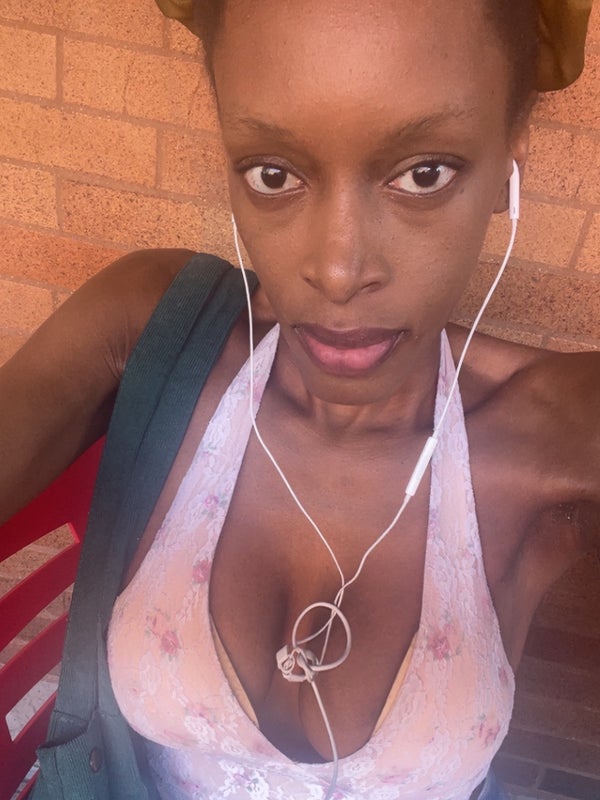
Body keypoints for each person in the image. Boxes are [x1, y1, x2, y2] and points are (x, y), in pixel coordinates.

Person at [0, 1, 598, 798]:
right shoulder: (156, 327)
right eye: (273, 174)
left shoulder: (561, 431)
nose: (339, 271)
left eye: (425, 173)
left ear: (510, 151)